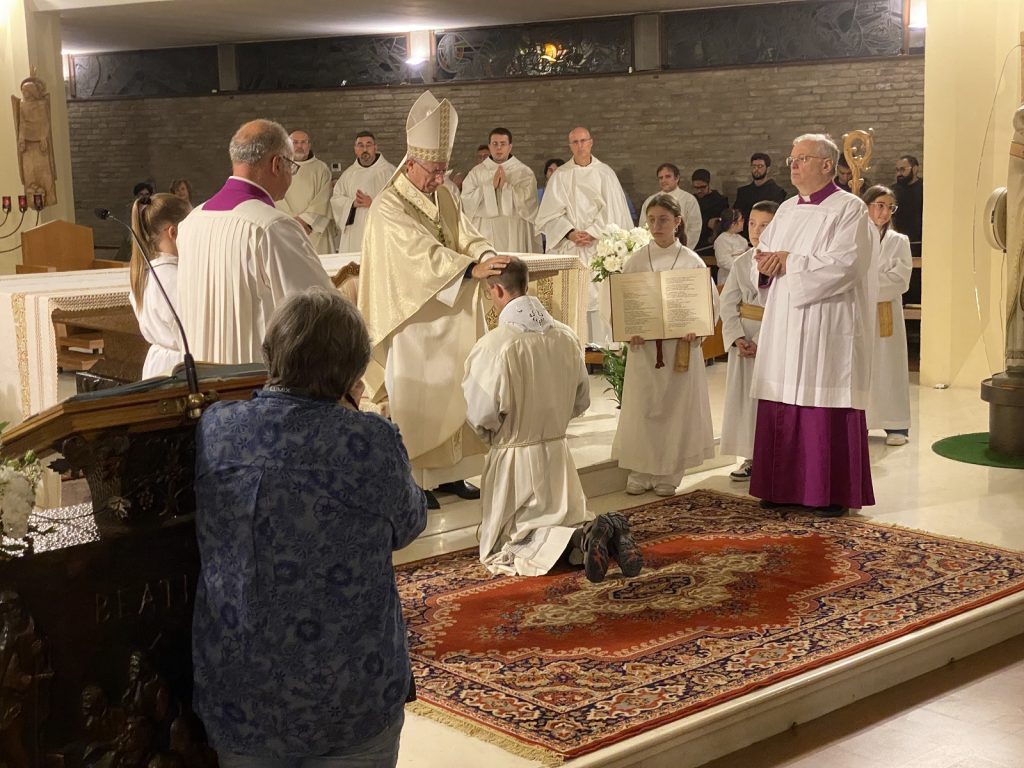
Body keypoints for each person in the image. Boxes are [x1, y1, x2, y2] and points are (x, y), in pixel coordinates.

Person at [192, 287, 425, 768]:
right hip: (350, 692)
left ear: (270, 354)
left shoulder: (218, 428)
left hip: (243, 692)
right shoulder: (370, 440)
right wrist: (351, 413)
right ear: (354, 372)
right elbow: (409, 523)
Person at [359, 91, 509, 509]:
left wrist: (485, 254)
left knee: (457, 389)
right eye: (434, 170)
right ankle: (418, 481)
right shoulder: (388, 205)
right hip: (415, 319)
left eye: (444, 170)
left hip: (452, 313)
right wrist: (469, 270)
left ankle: (452, 475)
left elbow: (465, 233)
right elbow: (415, 254)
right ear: (411, 163)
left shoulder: (443, 194)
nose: (440, 178)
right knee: (422, 398)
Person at [463, 256, 643, 582]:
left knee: (513, 541)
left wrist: (499, 439)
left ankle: (583, 538)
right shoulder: (566, 336)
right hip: (558, 455)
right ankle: (597, 534)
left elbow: (481, 413)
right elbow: (581, 400)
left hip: (515, 457)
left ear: (497, 290)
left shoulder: (495, 345)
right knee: (562, 517)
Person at [750, 133, 876, 516]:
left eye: (802, 158)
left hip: (827, 319)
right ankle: (779, 487)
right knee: (782, 395)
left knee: (822, 396)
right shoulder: (786, 209)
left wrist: (790, 262)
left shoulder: (850, 209)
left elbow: (848, 263)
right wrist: (766, 264)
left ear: (826, 164)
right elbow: (762, 253)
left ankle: (828, 492)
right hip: (785, 318)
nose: (794, 165)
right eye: (792, 159)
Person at [176, 119, 334, 365]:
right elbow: (318, 311)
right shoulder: (272, 227)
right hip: (252, 379)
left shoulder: (191, 222)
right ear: (277, 164)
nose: (291, 176)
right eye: (291, 166)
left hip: (199, 377)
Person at [612, 193, 719, 496]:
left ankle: (670, 472)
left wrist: (697, 329)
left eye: (663, 220)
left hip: (679, 349)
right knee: (643, 407)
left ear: (677, 222)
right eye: (651, 220)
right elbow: (621, 304)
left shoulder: (691, 261)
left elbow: (710, 304)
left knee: (676, 409)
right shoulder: (635, 261)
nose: (656, 226)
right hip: (644, 349)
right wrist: (628, 330)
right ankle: (641, 469)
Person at [535, 126, 632, 344]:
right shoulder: (560, 176)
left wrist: (593, 232)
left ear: (591, 142)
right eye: (575, 142)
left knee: (601, 303)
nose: (580, 146)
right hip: (572, 248)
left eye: (583, 141)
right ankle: (575, 350)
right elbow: (548, 215)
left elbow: (615, 210)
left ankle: (605, 350)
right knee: (574, 302)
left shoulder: (605, 173)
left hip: (599, 248)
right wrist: (569, 233)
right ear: (570, 146)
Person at [719, 200, 778, 481]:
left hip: (773, 338)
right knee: (745, 400)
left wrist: (761, 340)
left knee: (770, 399)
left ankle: (775, 456)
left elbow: (784, 306)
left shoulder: (784, 262)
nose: (756, 230)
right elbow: (728, 302)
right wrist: (737, 337)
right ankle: (750, 456)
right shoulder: (742, 262)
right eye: (752, 223)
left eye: (764, 225)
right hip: (744, 341)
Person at [863, 185, 912, 446]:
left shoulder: (898, 241)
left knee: (889, 366)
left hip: (885, 312)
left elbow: (900, 279)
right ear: (867, 206)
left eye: (889, 207)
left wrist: (867, 285)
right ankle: (862, 422)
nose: (884, 212)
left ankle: (896, 425)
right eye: (879, 205)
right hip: (860, 313)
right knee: (862, 368)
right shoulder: (855, 238)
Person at [128, 193, 191, 379]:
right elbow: (190, 333)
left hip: (156, 365)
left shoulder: (144, 273)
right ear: (173, 232)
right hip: (178, 368)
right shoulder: (173, 277)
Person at [461, 128, 541, 253]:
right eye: (495, 144)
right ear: (489, 147)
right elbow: (466, 200)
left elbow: (530, 202)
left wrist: (506, 187)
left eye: (503, 144)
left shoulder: (524, 172)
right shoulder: (477, 172)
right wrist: (489, 187)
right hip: (485, 229)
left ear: (510, 147)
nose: (499, 148)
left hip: (515, 227)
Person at [330, 131, 396, 253]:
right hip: (354, 233)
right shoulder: (348, 174)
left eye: (368, 145)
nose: (365, 149)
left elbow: (398, 203)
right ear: (355, 149)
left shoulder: (389, 172)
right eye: (360, 145)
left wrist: (373, 203)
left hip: (380, 231)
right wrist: (352, 204)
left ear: (375, 147)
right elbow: (336, 199)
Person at [275, 130, 333, 253]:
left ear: (309, 145)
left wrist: (305, 221)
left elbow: (324, 199)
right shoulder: (278, 167)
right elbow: (274, 197)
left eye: (303, 142)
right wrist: (293, 221)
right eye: (295, 142)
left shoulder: (321, 169)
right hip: (287, 228)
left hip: (313, 229)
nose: (299, 146)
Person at [639, 163, 701, 250]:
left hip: (680, 248)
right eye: (661, 178)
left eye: (667, 176)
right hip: (654, 249)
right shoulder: (650, 201)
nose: (663, 180)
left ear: (677, 178)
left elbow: (694, 228)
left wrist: (683, 249)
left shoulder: (689, 200)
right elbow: (643, 227)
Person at [733, 152, 788, 236]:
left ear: (768, 169)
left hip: (766, 234)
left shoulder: (777, 192)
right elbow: (736, 215)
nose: (756, 169)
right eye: (754, 166)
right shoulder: (743, 192)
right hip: (744, 235)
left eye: (760, 166)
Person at [691, 168, 729, 252]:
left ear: (708, 184)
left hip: (712, 243)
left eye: (702, 187)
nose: (699, 190)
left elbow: (724, 223)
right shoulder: (691, 200)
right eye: (696, 188)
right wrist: (707, 222)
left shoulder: (720, 200)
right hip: (694, 242)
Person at [893, 154, 923, 254]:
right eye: (897, 170)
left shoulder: (925, 188)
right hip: (898, 243)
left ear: (915, 169)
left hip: (921, 243)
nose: (899, 174)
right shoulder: (892, 191)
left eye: (902, 169)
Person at [713, 207, 746, 287]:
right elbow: (724, 261)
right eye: (741, 220)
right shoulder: (721, 240)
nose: (743, 222)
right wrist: (742, 267)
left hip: (742, 276)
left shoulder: (740, 238)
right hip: (728, 278)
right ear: (733, 224)